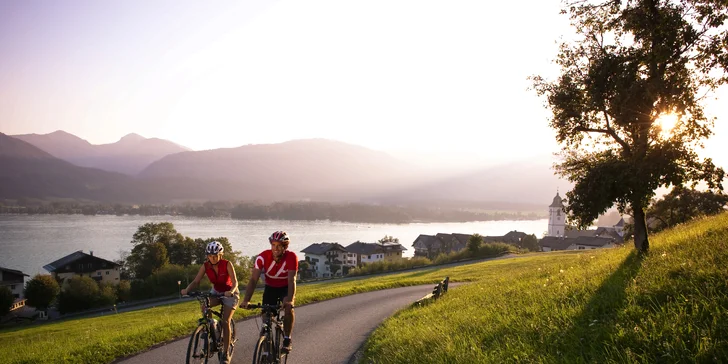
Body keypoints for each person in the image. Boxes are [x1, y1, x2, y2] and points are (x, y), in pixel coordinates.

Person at [181, 241, 239, 364]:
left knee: (225, 321)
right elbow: (196, 281)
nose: (212, 258)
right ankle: (212, 328)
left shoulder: (227, 264)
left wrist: (232, 291)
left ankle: (226, 352)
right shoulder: (205, 266)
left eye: (215, 255)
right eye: (210, 256)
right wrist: (187, 290)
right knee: (205, 306)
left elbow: (235, 282)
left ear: (220, 255)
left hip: (230, 293)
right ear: (207, 256)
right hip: (216, 291)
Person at [240, 230, 298, 354]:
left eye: (279, 246)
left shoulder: (291, 257)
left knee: (288, 309)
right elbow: (253, 280)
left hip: (285, 288)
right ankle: (267, 347)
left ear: (285, 247)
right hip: (270, 288)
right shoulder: (262, 257)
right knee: (266, 317)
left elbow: (291, 280)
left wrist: (290, 300)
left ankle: (287, 339)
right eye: (273, 245)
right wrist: (246, 300)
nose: (275, 248)